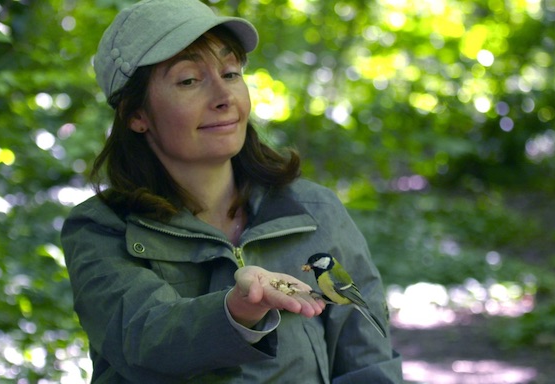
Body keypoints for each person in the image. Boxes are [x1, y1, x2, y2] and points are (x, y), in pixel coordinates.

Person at [61, 0, 404, 382]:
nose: (223, 97)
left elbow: (368, 360)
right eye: (189, 80)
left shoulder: (313, 210)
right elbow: (143, 337)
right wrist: (235, 311)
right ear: (135, 114)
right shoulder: (102, 228)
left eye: (230, 72)